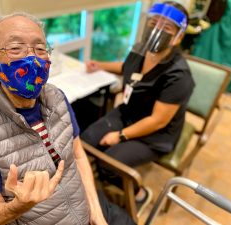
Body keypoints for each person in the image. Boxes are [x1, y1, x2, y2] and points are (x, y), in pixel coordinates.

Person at [0, 12, 136, 225]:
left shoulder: (56, 97)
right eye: (15, 48)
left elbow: (77, 156)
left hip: (87, 206)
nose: (33, 58)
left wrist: (96, 213)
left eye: (40, 48)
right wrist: (19, 206)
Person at [81, 1, 195, 217]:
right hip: (128, 112)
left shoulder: (178, 76)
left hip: (155, 133)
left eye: (166, 28)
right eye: (153, 23)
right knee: (86, 140)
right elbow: (127, 69)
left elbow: (158, 121)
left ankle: (140, 194)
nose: (157, 30)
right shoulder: (141, 49)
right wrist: (101, 65)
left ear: (178, 36)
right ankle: (99, 185)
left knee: (111, 163)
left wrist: (120, 136)